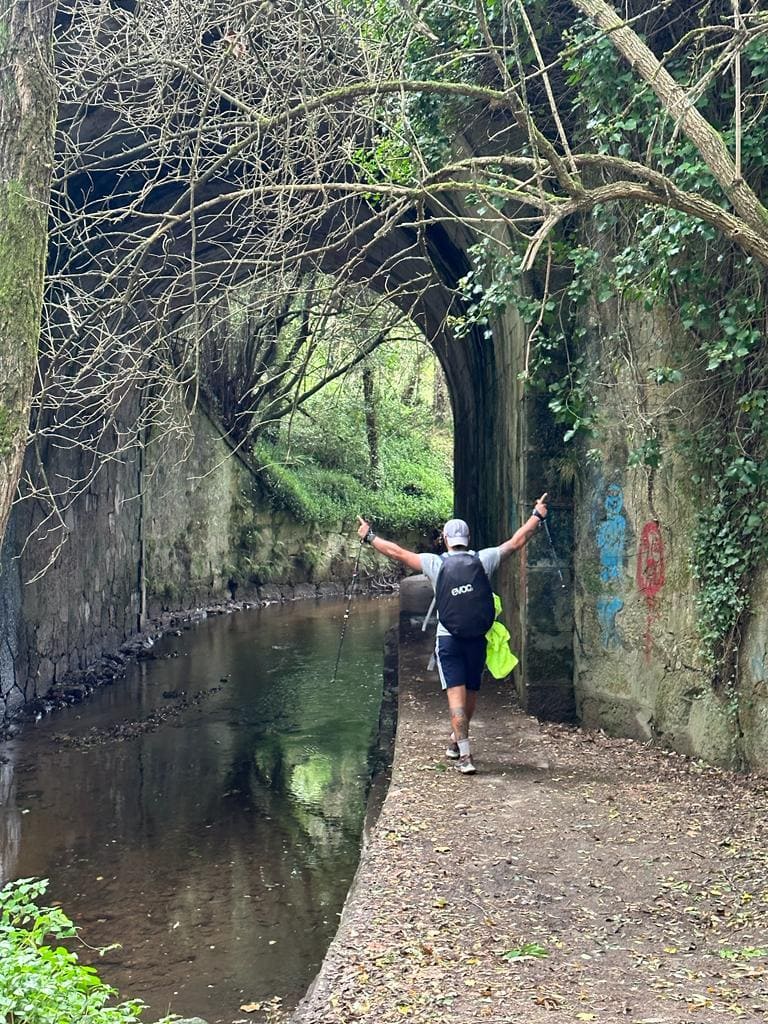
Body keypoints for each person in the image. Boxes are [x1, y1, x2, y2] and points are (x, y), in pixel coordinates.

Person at [356, 494, 548, 774]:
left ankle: (465, 756)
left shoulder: (435, 564)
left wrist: (369, 536)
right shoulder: (484, 559)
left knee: (455, 700)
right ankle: (458, 743)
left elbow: (397, 552)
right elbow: (517, 541)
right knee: (470, 695)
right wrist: (538, 515)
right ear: (468, 539)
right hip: (477, 639)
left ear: (445, 539)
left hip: (449, 640)